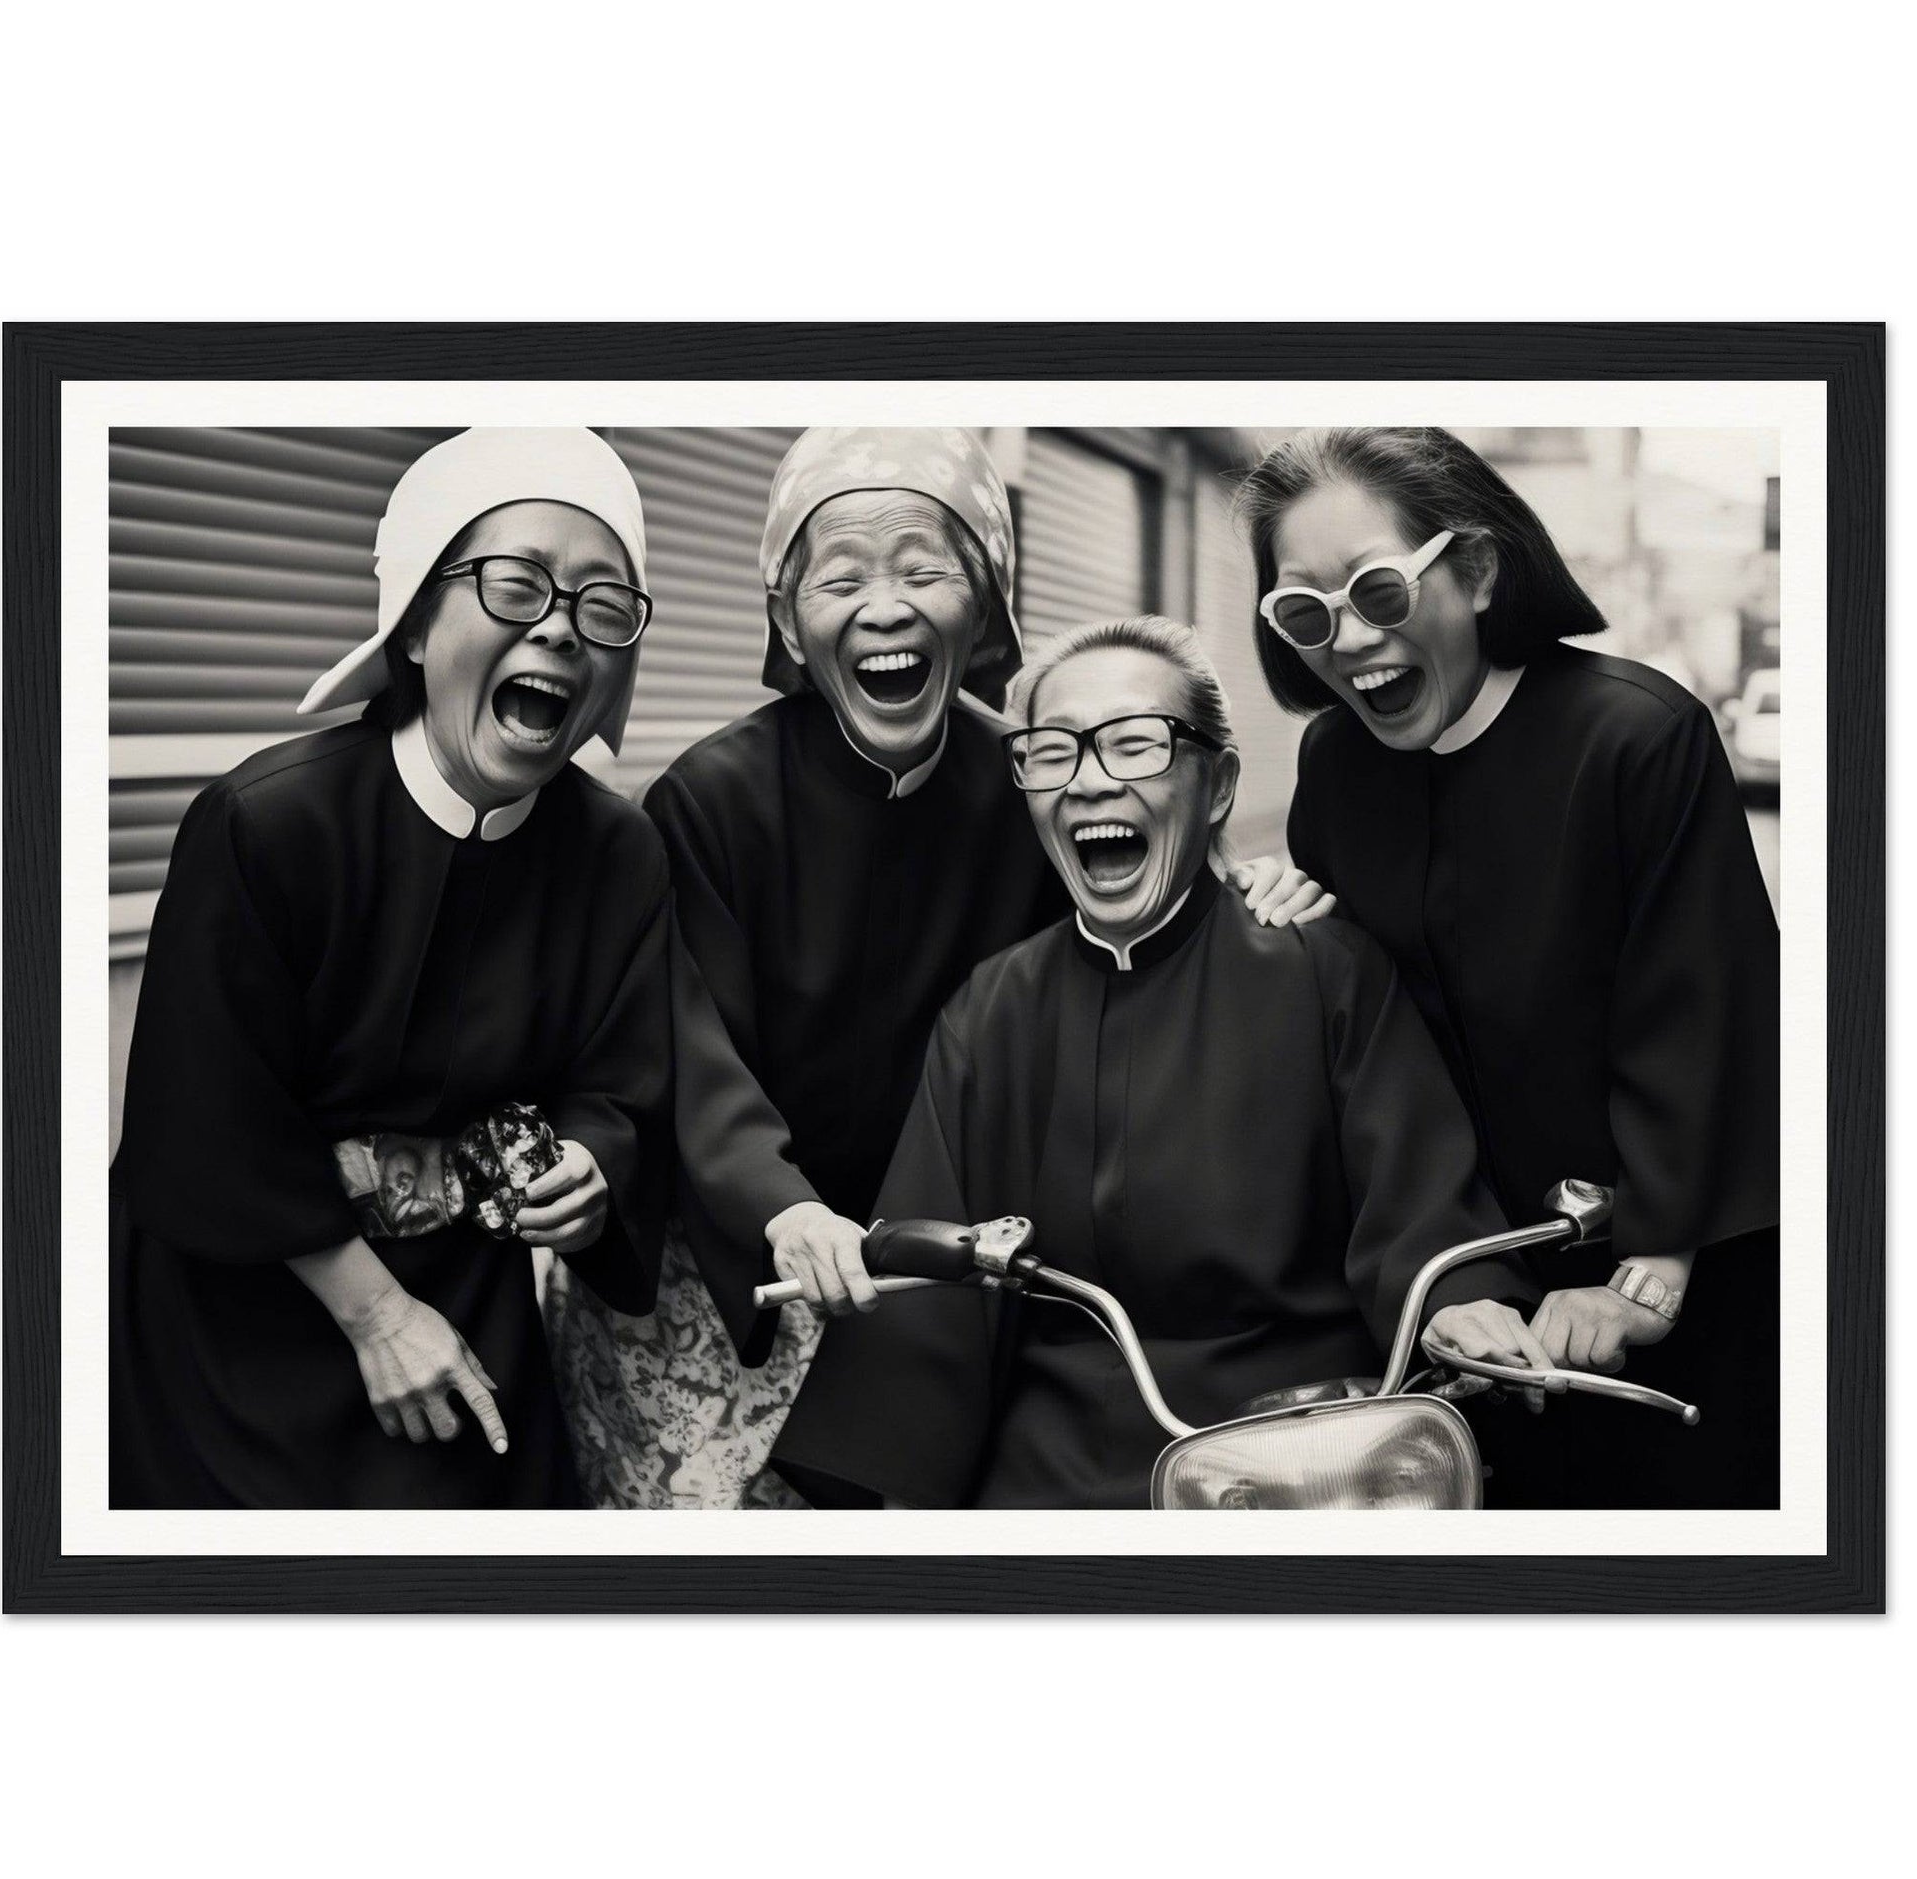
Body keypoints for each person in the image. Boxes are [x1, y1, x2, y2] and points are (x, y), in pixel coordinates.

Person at [546, 427, 1324, 1509]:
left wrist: (1244, 887)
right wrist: (782, 1205)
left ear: (988, 601)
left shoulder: (1030, 774)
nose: (885, 606)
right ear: (785, 616)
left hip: (951, 1258)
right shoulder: (710, 798)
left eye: (924, 567)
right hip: (748, 1260)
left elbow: (1146, 897)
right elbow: (688, 1044)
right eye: (841, 576)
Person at [770, 618, 1541, 1509]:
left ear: (1216, 786)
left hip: (1299, 1455)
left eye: (1135, 746)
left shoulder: (1324, 971)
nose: (1092, 781)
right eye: (1052, 753)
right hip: (1050, 1474)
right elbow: (929, 1283)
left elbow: (1420, 1210)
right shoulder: (993, 1011)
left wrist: (1458, 1303)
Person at [110, 428, 672, 1508]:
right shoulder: (265, 823)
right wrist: (373, 1313)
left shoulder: (617, 853)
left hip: (467, 1303)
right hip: (241, 1321)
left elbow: (624, 1076)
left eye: (603, 605)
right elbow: (206, 1114)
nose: (559, 625)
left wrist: (593, 1165)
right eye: (517, 585)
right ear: (416, 623)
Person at [1236, 426, 1781, 1509]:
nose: (1345, 641)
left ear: (1475, 570)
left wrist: (1650, 1272)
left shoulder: (1634, 736)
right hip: (1450, 1287)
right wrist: (1295, 910)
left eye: (1376, 592)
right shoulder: (1334, 762)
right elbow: (1361, 1019)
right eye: (1304, 611)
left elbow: (1703, 1015)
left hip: (1667, 1275)